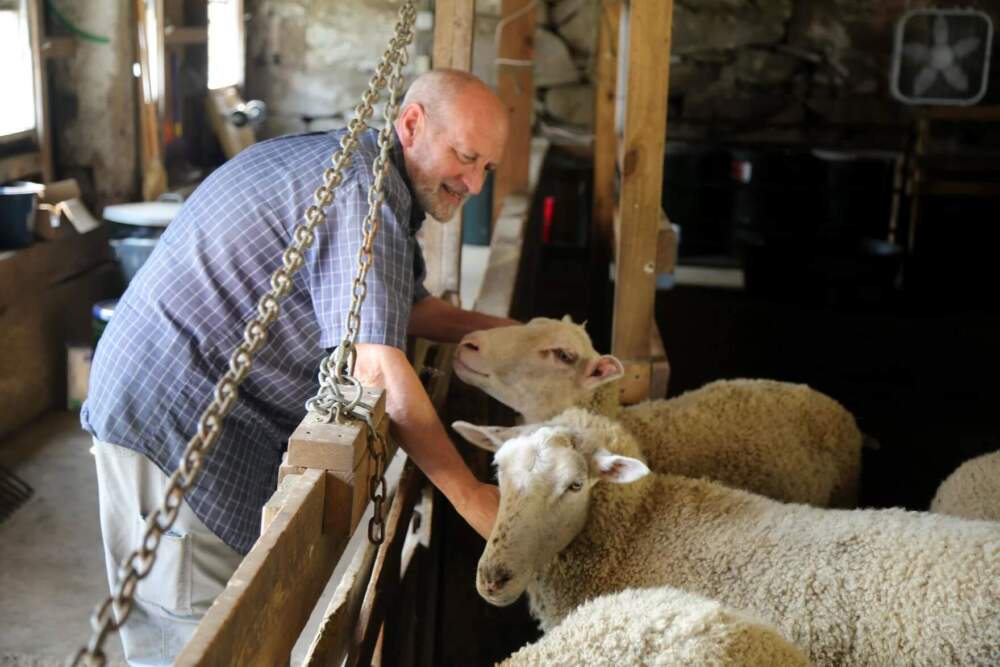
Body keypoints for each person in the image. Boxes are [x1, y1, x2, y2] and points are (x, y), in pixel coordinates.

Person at [81, 68, 513, 665]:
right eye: (465, 157)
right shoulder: (361, 190)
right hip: (175, 415)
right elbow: (378, 367)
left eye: (486, 168)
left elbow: (401, 307)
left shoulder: (371, 174)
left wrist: (520, 337)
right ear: (412, 124)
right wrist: (470, 498)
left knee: (238, 623)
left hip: (198, 400)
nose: (472, 183)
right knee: (193, 636)